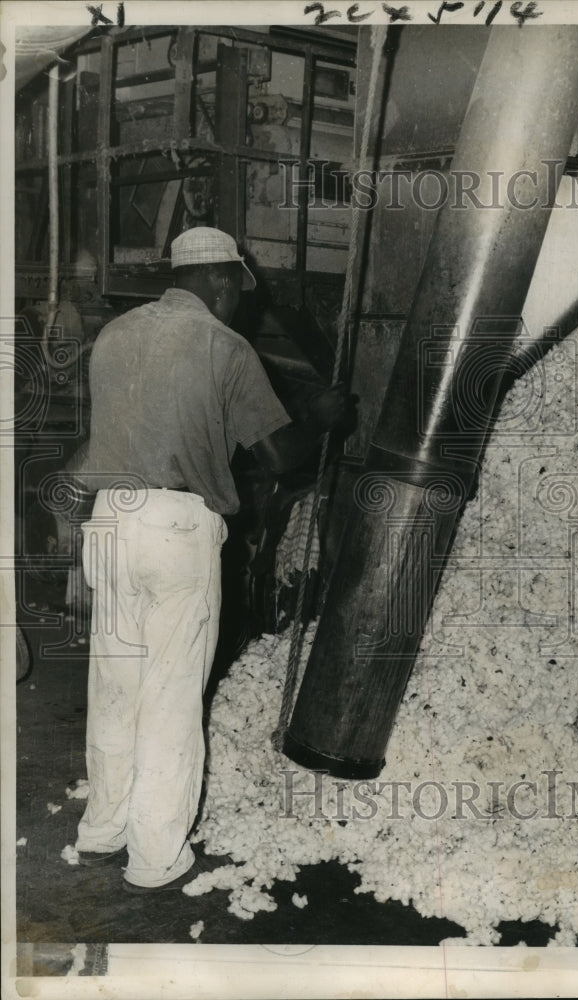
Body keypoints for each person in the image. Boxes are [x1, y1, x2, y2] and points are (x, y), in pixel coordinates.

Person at [72, 227, 350, 893]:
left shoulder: (114, 336)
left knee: (114, 686)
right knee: (170, 695)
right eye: (236, 290)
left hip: (109, 520)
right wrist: (325, 420)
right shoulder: (225, 346)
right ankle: (155, 855)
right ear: (223, 281)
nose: (237, 303)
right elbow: (281, 460)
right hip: (175, 527)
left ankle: (101, 830)